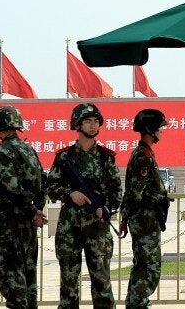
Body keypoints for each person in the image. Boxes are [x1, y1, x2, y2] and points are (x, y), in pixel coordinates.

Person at [46, 103, 122, 309]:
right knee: (69, 283)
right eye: (87, 121)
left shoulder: (106, 158)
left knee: (101, 282)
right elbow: (51, 186)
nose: (92, 125)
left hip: (97, 228)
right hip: (69, 228)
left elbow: (117, 192)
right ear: (77, 125)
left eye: (95, 121)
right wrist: (70, 194)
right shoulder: (64, 157)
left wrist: (106, 208)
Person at [0, 105, 48, 309]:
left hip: (12, 221)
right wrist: (37, 211)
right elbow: (43, 181)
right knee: (28, 273)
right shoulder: (28, 149)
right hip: (29, 223)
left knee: (11, 274)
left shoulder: (4, 151)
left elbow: (10, 186)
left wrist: (32, 211)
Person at [119, 108, 168, 309]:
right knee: (150, 267)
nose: (162, 132)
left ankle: (135, 304)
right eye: (160, 128)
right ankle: (139, 304)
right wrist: (125, 217)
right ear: (151, 129)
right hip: (145, 219)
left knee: (142, 266)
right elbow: (135, 192)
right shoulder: (143, 156)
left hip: (144, 218)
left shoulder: (143, 153)